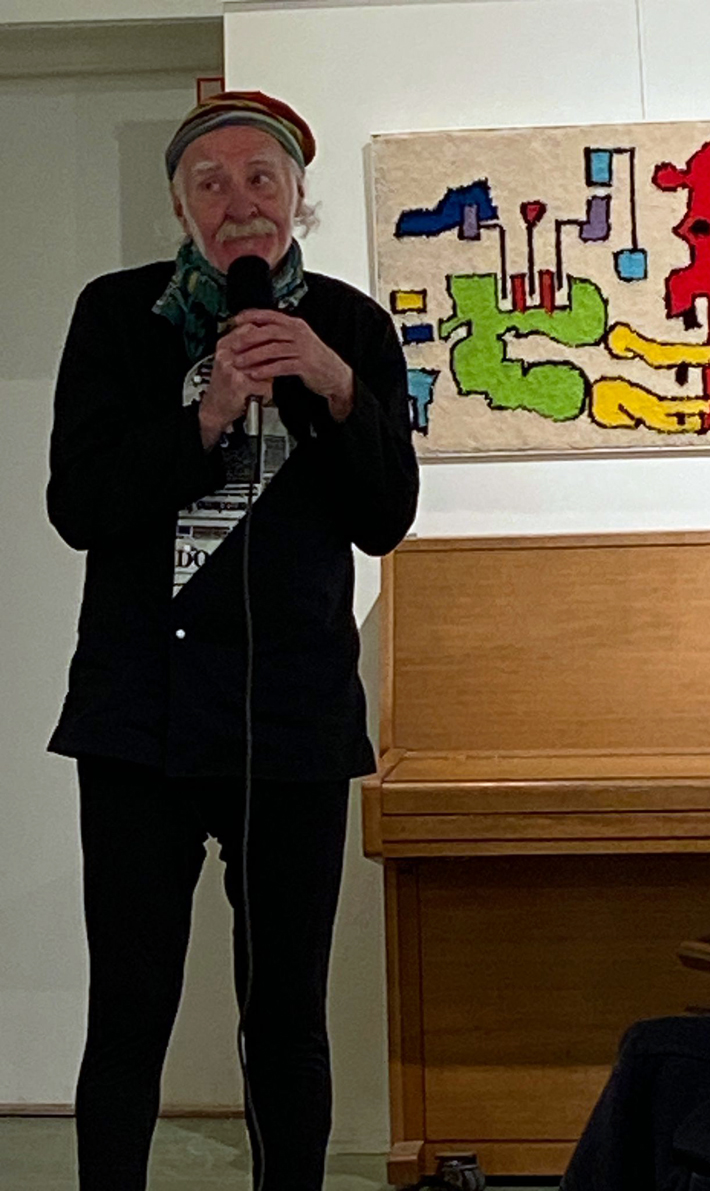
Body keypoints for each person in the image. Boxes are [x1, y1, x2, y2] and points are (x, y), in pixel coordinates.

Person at [47, 90, 418, 1191]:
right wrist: (205, 415)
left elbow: (384, 517)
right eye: (209, 183)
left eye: (262, 178)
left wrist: (338, 389)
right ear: (180, 206)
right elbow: (80, 507)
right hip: (139, 720)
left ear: (298, 199)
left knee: (286, 1016)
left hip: (290, 722)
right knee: (129, 1010)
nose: (238, 201)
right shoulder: (116, 315)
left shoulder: (351, 327)